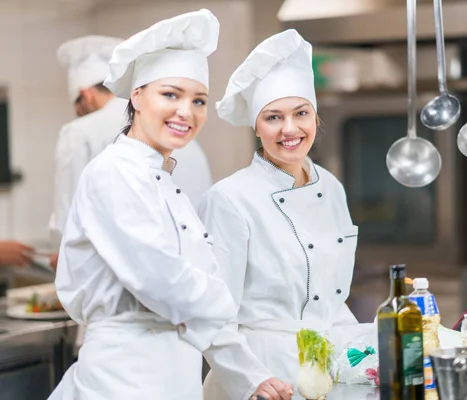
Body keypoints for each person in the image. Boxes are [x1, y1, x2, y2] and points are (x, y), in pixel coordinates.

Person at [49, 10, 291, 400]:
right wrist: (229, 297)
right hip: (121, 377)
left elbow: (194, 301)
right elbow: (163, 282)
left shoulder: (163, 181)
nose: (186, 111)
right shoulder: (113, 173)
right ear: (137, 96)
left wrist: (250, 376)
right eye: (170, 94)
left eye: (198, 100)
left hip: (174, 378)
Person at [200, 29, 361, 398]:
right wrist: (252, 379)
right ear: (256, 127)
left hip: (326, 371)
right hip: (261, 378)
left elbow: (329, 303)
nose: (290, 129)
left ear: (315, 117)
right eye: (273, 117)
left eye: (301, 113)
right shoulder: (229, 198)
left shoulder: (331, 187)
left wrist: (366, 350)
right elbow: (214, 313)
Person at [49, 35, 214, 267]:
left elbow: (67, 223)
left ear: (86, 95)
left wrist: (65, 259)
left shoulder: (78, 133)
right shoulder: (187, 140)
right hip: (196, 269)